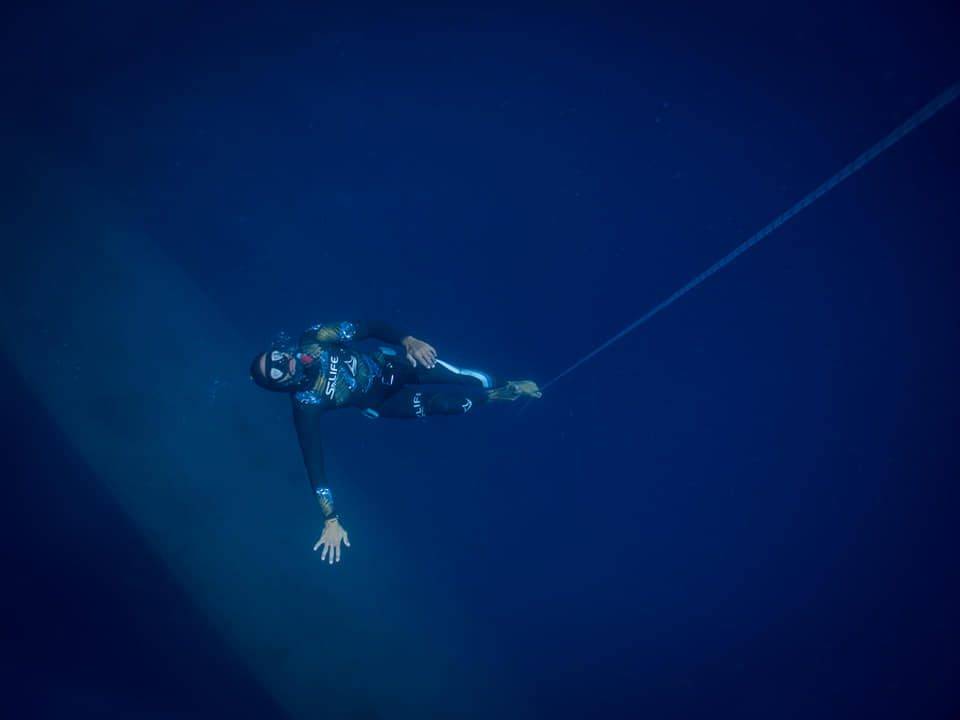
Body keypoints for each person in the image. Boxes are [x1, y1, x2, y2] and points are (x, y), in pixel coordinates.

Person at [249, 320, 541, 564]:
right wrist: (331, 518)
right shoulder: (306, 404)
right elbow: (314, 461)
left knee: (463, 377)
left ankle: (509, 383)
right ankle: (496, 397)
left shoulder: (315, 339)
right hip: (384, 403)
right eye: (276, 371)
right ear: (280, 384)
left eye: (277, 356)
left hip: (392, 364)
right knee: (448, 405)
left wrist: (408, 341)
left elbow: (370, 326)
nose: (284, 363)